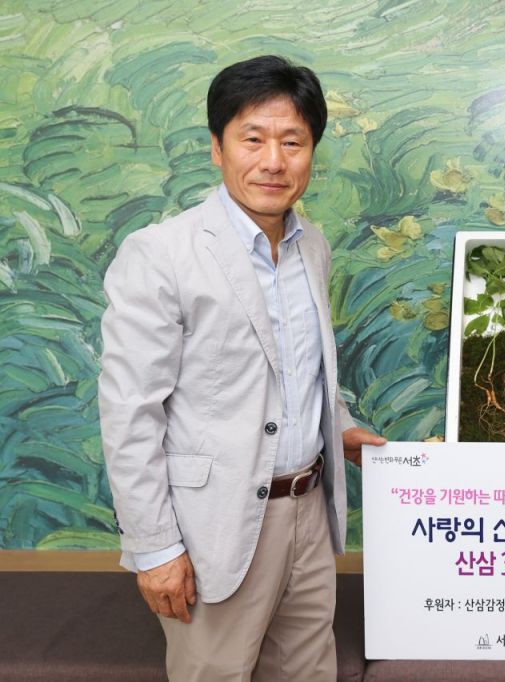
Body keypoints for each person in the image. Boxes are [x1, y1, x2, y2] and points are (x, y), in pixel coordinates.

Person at [99, 55, 385, 681]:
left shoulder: (313, 245)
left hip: (309, 512)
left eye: (293, 142)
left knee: (309, 673)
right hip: (215, 526)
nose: (273, 161)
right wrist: (155, 547)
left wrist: (339, 429)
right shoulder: (160, 254)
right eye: (253, 139)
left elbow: (299, 367)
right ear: (217, 147)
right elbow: (130, 413)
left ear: (312, 152)